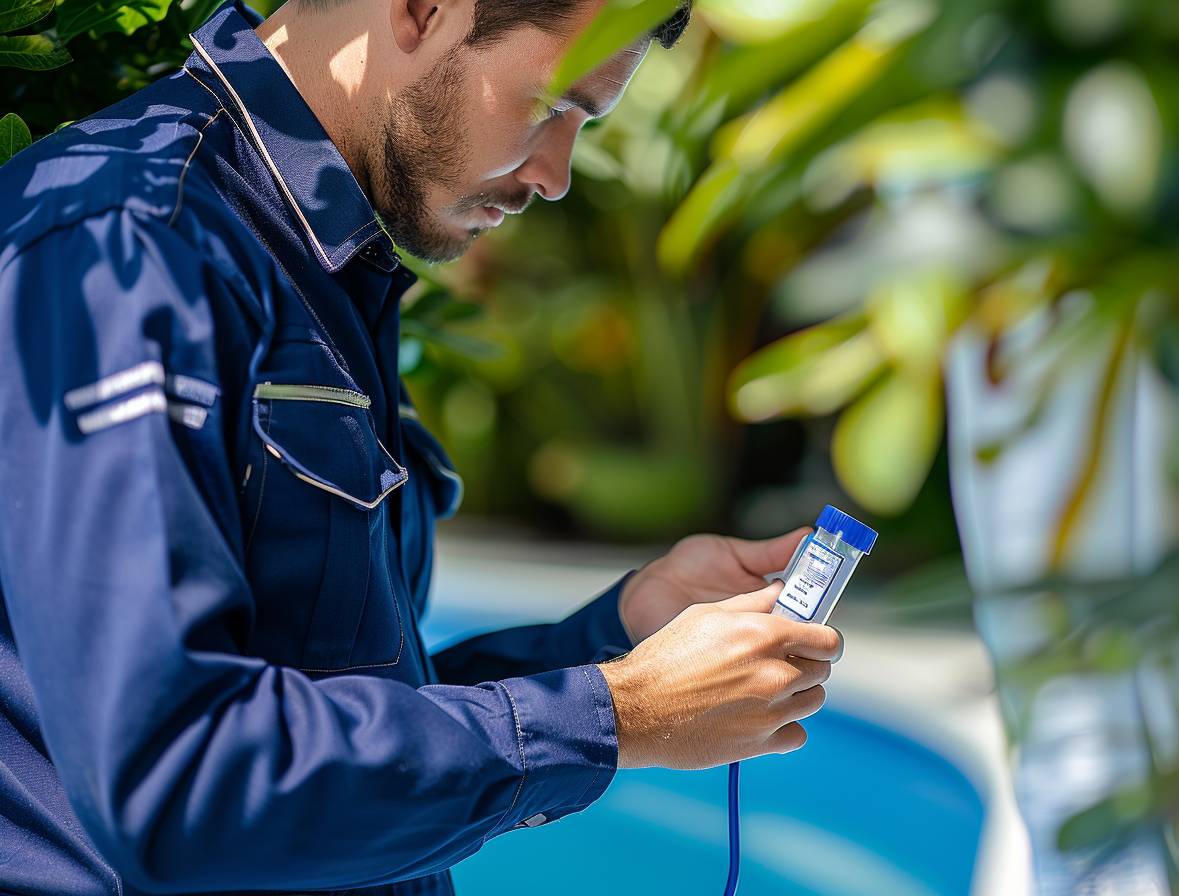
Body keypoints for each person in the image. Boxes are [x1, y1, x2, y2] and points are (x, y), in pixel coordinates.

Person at [0, 0, 844, 893]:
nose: (557, 174)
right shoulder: (126, 251)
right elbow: (178, 785)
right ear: (422, 9)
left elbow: (337, 699)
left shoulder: (315, 259)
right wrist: (619, 713)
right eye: (553, 103)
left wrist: (620, 637)